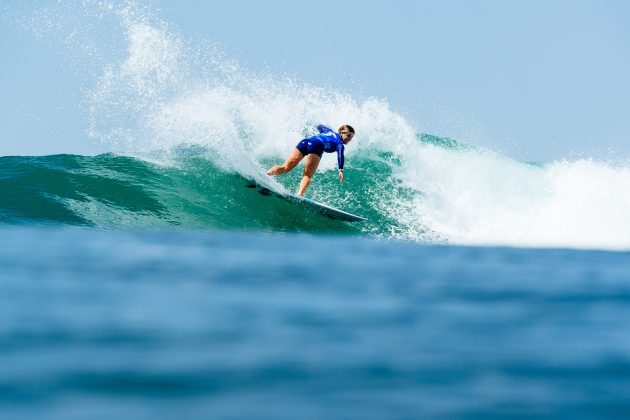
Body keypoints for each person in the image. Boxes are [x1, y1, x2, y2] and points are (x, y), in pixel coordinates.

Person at [267, 124, 355, 196]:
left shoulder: (328, 131)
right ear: (341, 132)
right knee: (307, 175)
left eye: (351, 137)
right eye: (348, 135)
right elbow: (340, 155)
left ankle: (266, 175)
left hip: (305, 142)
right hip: (316, 146)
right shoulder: (339, 143)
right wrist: (340, 170)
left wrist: (311, 125)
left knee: (285, 168)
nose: (349, 139)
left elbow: (319, 126)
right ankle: (299, 195)